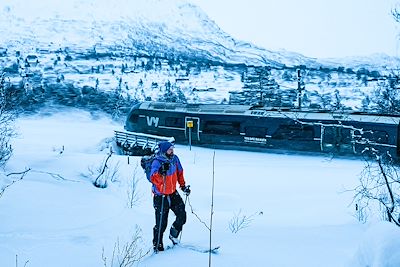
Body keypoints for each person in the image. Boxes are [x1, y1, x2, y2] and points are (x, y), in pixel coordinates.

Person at [149, 141, 191, 252]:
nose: (172, 151)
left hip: (172, 193)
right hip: (161, 196)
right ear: (164, 150)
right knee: (161, 224)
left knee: (182, 215)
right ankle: (157, 247)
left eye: (172, 149)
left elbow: (180, 173)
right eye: (170, 149)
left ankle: (173, 235)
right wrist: (161, 171)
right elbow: (152, 178)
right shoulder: (157, 162)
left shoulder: (174, 159)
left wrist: (183, 186)